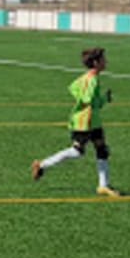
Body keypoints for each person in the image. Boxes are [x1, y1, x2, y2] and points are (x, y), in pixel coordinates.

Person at [31, 48, 121, 197]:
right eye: (103, 60)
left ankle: (103, 186)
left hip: (92, 121)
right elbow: (89, 100)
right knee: (77, 151)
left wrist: (94, 100)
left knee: (102, 149)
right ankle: (41, 165)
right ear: (96, 62)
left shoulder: (86, 78)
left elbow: (74, 87)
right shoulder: (92, 79)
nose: (106, 62)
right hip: (85, 122)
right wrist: (103, 100)